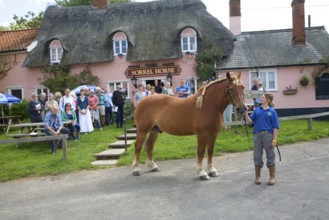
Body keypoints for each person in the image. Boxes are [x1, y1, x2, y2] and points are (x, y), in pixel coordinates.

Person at [244, 92, 280, 185]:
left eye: (263, 97)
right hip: (257, 135)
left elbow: (275, 127)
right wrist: (245, 113)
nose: (261, 98)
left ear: (268, 100)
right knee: (257, 155)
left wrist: (274, 140)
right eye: (261, 97)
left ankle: (272, 177)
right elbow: (250, 122)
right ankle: (258, 177)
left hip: (268, 135)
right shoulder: (257, 110)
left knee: (270, 155)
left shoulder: (272, 112)